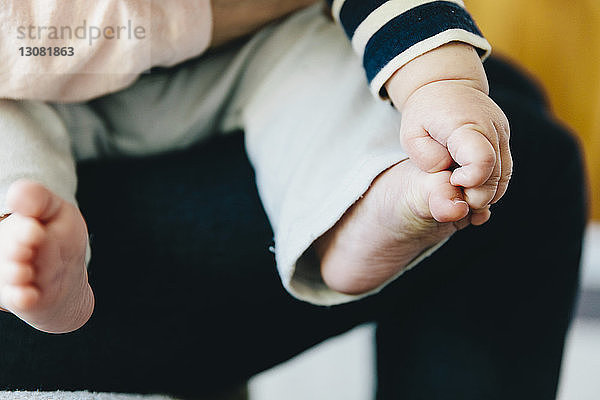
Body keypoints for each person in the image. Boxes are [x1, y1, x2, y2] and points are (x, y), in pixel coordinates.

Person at [0, 2, 586, 399]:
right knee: (10, 145)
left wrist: (438, 85)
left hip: (241, 59)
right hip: (27, 77)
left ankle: (359, 205)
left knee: (335, 64)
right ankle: (35, 249)